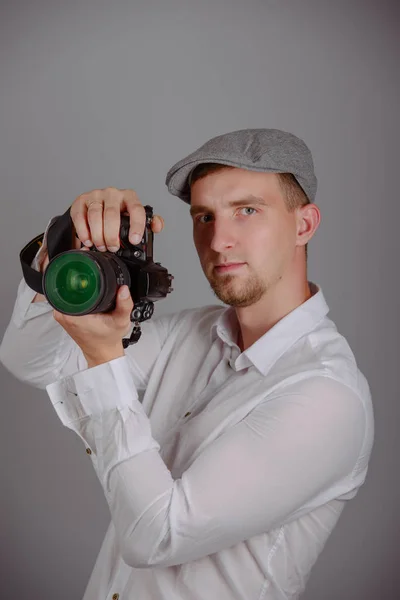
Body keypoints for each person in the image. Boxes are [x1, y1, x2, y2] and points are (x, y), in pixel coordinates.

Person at [0, 128, 375, 600]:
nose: (219, 241)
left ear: (304, 224)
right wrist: (62, 247)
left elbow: (156, 536)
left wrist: (104, 356)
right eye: (204, 216)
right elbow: (30, 361)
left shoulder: (326, 395)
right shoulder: (192, 334)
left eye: (247, 211)